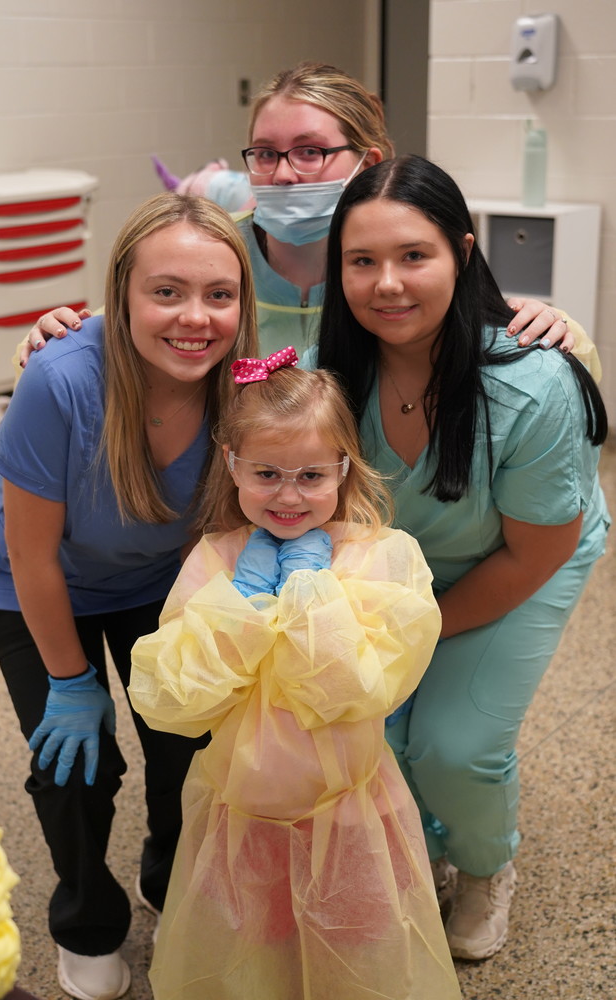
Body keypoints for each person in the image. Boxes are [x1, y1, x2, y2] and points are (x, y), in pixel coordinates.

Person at [305, 154, 609, 961]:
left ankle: (482, 864)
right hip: (396, 571)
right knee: (372, 732)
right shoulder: (329, 375)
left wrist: (414, 633)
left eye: (413, 256)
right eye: (361, 262)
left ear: (462, 253)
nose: (386, 284)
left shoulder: (533, 384)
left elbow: (533, 551)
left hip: (518, 562)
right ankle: (423, 839)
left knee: (451, 744)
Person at [0, 193, 258, 1000]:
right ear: (120, 292)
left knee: (184, 742)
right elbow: (30, 553)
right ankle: (86, 922)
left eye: (218, 295)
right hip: (36, 580)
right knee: (76, 764)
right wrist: (68, 679)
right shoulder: (62, 381)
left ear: (242, 303)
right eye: (166, 292)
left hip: (156, 578)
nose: (194, 317)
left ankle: (173, 882)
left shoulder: (249, 382)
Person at [127, 351, 462, 1000]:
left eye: (311, 474)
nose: (288, 494)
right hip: (240, 815)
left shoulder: (381, 559)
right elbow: (172, 699)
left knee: (358, 956)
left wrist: (311, 587)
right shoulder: (216, 561)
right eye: (266, 474)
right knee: (254, 955)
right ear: (231, 466)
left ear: (343, 467)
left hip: (349, 818)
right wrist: (245, 600)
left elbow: (356, 692)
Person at [21, 62, 585, 365]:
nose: (285, 174)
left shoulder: (392, 271)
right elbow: (124, 321)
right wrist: (60, 334)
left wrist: (557, 325)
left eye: (311, 152)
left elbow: (515, 343)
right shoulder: (219, 251)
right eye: (265, 154)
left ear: (369, 162)